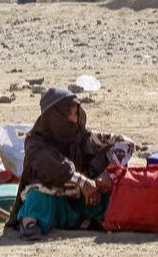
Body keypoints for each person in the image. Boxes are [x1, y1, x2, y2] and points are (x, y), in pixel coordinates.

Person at [7, 87, 125, 240]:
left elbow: (124, 144)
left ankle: (89, 220)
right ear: (55, 116)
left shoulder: (82, 135)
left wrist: (106, 174)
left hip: (82, 200)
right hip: (52, 201)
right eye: (71, 114)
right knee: (37, 197)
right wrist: (82, 182)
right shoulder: (35, 142)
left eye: (77, 114)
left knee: (113, 191)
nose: (75, 120)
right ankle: (30, 223)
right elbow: (55, 167)